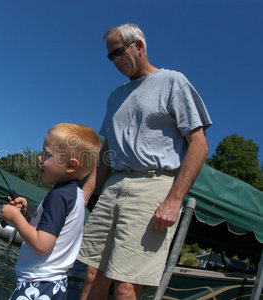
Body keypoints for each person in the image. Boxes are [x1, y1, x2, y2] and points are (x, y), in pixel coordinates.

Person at [77, 23, 212, 300]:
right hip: (113, 186)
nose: (115, 61)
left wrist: (174, 200)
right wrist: (85, 193)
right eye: (110, 56)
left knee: (126, 284)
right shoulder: (116, 96)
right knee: (92, 273)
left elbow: (199, 145)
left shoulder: (173, 81)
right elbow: (107, 152)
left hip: (152, 187)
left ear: (139, 45)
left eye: (118, 52)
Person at [2, 123, 101, 300]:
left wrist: (16, 217)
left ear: (71, 166)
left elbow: (42, 245)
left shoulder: (59, 196)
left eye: (47, 154)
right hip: (54, 285)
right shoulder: (75, 195)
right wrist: (29, 212)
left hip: (38, 284)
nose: (40, 158)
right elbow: (53, 230)